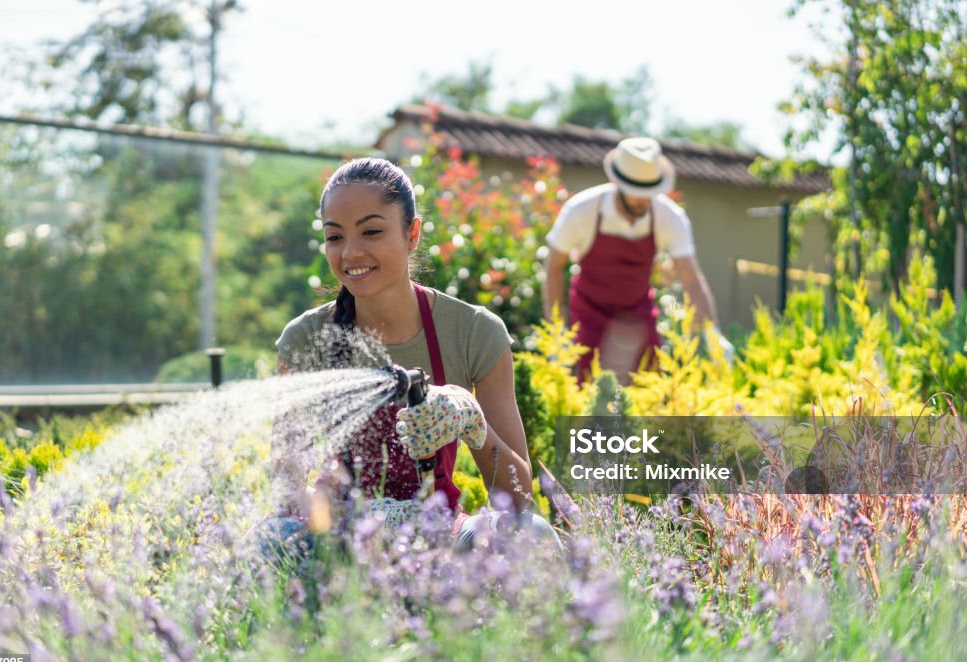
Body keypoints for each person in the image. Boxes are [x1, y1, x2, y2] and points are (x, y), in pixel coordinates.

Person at [261, 158, 559, 560]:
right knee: (271, 541)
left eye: (371, 232)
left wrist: (472, 423)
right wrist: (327, 513)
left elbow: (520, 498)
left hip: (440, 540)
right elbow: (286, 479)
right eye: (335, 237)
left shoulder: (472, 332)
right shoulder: (307, 339)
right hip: (343, 540)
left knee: (528, 534)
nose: (351, 252)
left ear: (412, 233)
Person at [542, 136, 734, 385]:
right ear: (618, 184)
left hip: (638, 319)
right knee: (588, 400)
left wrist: (712, 334)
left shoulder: (669, 217)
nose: (645, 200)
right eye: (637, 194)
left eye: (650, 193)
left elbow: (691, 279)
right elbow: (554, 268)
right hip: (588, 317)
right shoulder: (581, 210)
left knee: (649, 394)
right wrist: (557, 332)